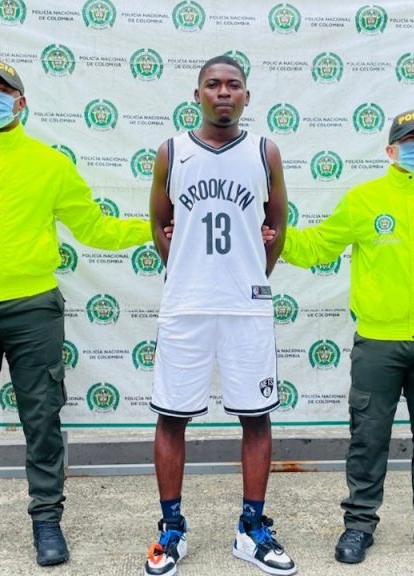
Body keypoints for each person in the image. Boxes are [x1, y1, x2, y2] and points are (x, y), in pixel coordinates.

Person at [0, 60, 151, 571]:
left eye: (0, 90)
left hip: (33, 308)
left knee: (42, 417)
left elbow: (95, 229)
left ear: (21, 101)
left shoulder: (50, 164)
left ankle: (46, 521)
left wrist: (157, 226)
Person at [279, 109, 414, 565]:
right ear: (391, 150)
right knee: (368, 436)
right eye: (411, 139)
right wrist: (276, 238)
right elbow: (318, 245)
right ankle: (358, 525)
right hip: (378, 343)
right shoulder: (365, 200)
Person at [143, 55, 295, 576]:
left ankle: (251, 528)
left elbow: (277, 225)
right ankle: (171, 529)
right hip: (186, 306)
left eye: (234, 85)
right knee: (172, 415)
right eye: (213, 84)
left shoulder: (264, 151)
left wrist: (254, 271)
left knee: (256, 416)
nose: (223, 92)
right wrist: (186, 268)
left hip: (245, 306)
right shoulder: (171, 151)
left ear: (247, 96)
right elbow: (160, 224)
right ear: (197, 94)